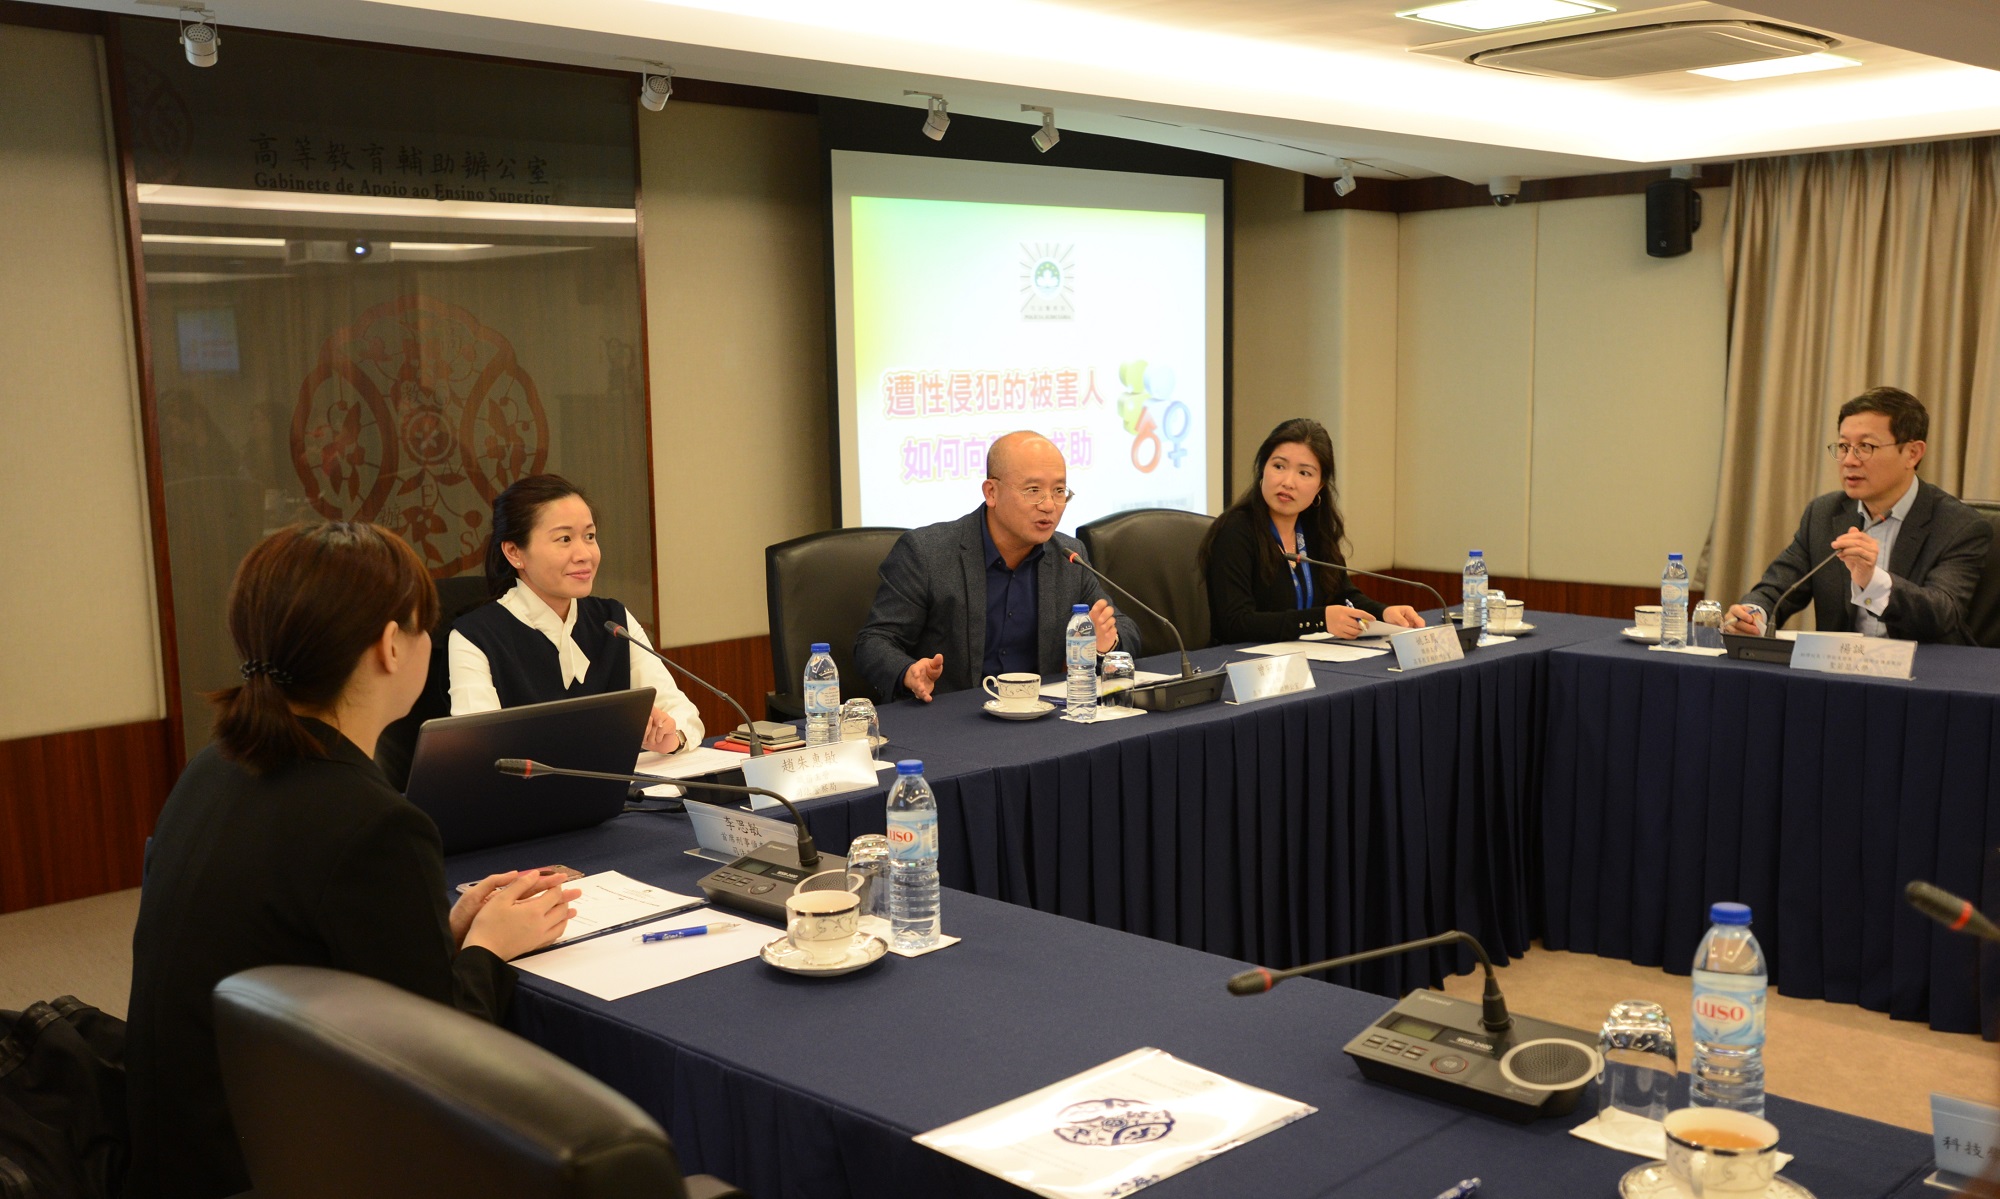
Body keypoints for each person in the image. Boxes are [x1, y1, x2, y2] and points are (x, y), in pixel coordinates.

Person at [125, 522, 581, 1199]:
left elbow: (303, 943)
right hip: (284, 1169)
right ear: (391, 646)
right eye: (426, 628)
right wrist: (489, 947)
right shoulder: (374, 824)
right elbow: (438, 1070)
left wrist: (443, 929)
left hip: (180, 1151)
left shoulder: (213, 768)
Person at [854, 430, 1139, 702]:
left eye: (1059, 490)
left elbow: (1124, 629)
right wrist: (908, 672)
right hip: (951, 720)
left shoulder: (1069, 557)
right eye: (1033, 490)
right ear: (991, 492)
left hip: (1042, 717)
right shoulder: (927, 553)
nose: (1049, 505)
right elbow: (874, 642)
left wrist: (1105, 647)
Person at [448, 474, 701, 752]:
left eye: (589, 536)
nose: (584, 554)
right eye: (565, 539)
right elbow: (479, 751)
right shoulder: (474, 637)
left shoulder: (613, 620)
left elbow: (682, 713)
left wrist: (671, 737)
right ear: (514, 552)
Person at [1726, 387, 1991, 644]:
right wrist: (1753, 614)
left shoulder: (1960, 526)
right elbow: (1777, 589)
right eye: (1843, 446)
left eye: (1865, 446)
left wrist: (1872, 580)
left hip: (1924, 669)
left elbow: (1943, 613)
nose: (1849, 461)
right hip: (1838, 667)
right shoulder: (1824, 514)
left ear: (1912, 453)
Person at [1201, 417, 1425, 644]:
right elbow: (1235, 623)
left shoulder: (1314, 530)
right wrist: (1319, 620)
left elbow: (1342, 595)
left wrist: (1383, 613)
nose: (1288, 482)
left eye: (1304, 473)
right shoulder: (1235, 531)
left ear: (1320, 486)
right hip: (1244, 661)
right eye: (1279, 466)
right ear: (1262, 470)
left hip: (1305, 657)